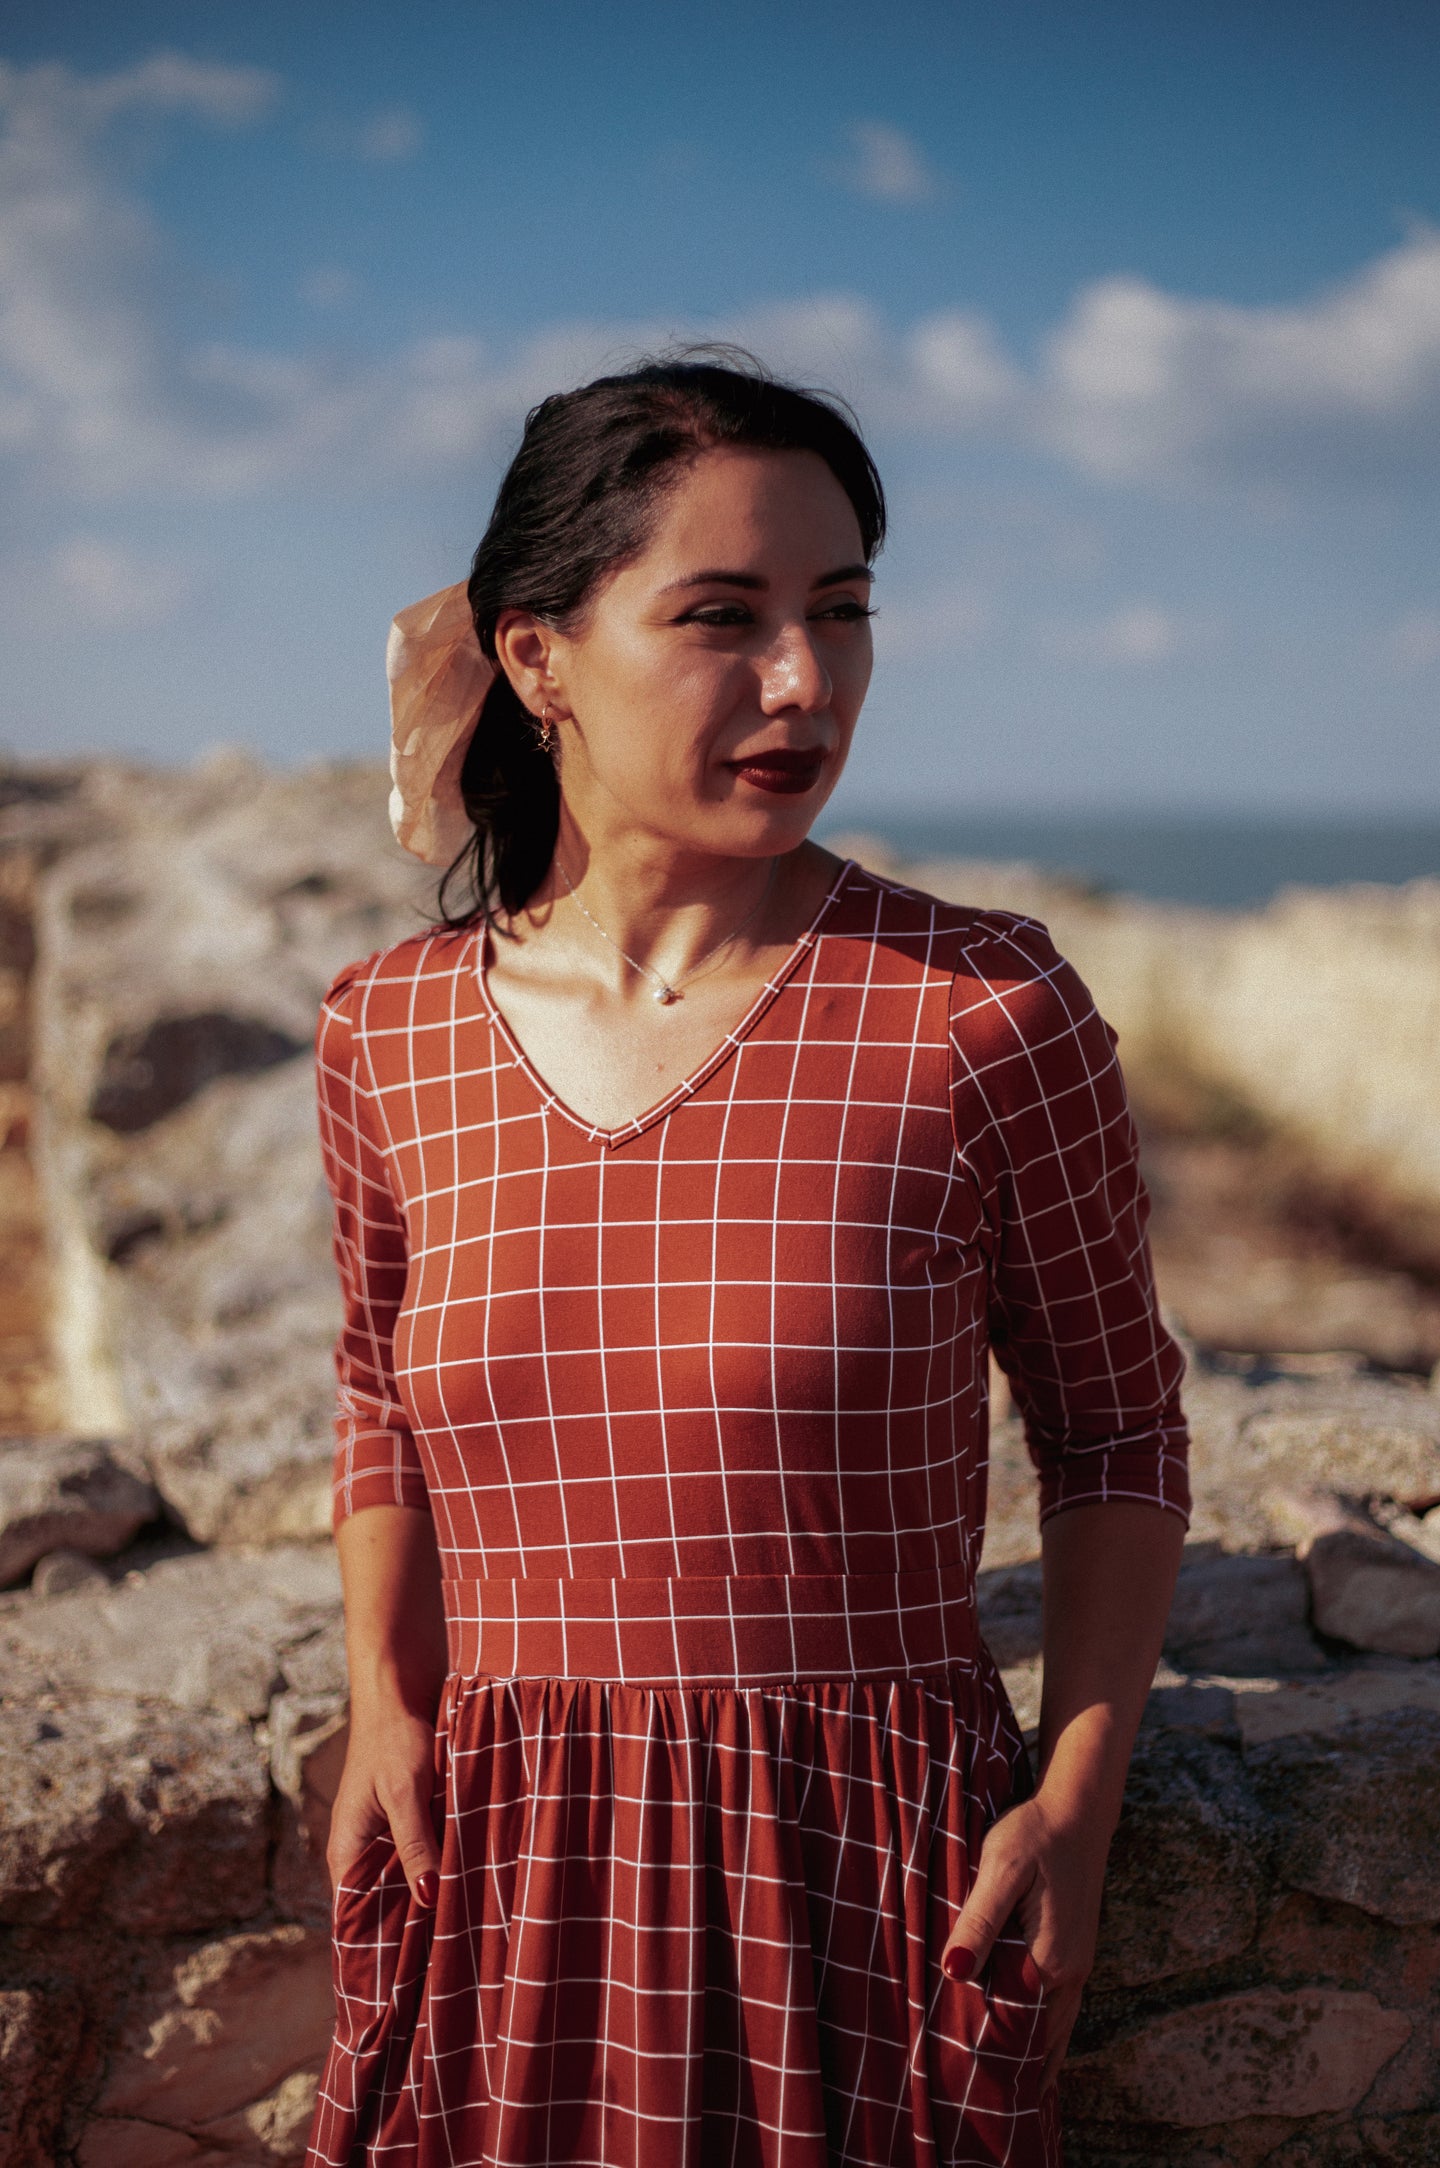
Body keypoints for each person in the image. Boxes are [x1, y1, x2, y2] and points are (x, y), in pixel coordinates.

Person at [305, 354, 1189, 2168]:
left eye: (839, 613)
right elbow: (375, 1393)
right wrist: (385, 1695)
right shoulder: (387, 1030)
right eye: (720, 617)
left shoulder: (981, 1013)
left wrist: (1076, 1812)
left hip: (868, 1885)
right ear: (535, 656)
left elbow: (1113, 1431)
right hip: (500, 1874)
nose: (803, 682)